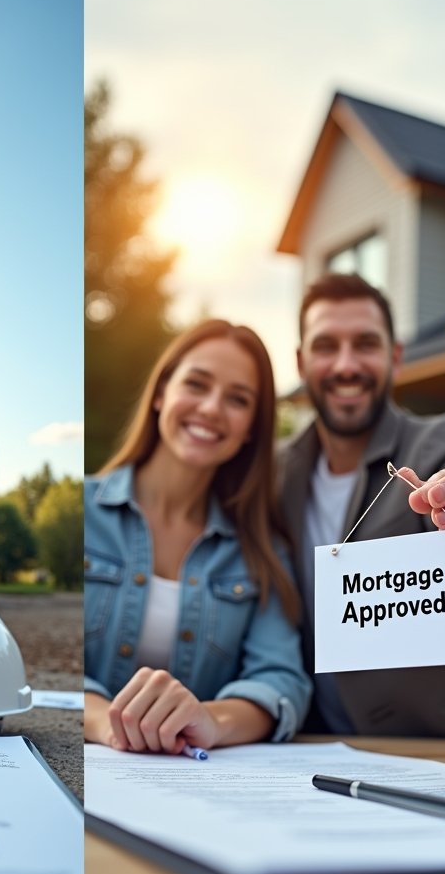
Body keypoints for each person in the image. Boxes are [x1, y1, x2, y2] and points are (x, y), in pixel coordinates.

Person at [280, 272, 445, 738]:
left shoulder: (441, 442)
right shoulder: (273, 473)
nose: (346, 364)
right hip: (326, 762)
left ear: (396, 356)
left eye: (365, 343)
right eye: (327, 346)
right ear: (303, 362)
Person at [84, 319, 311, 754]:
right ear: (160, 392)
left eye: (237, 399)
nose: (210, 408)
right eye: (197, 384)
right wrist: (107, 722)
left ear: (250, 430)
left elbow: (281, 680)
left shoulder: (261, 550)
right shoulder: (84, 512)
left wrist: (212, 719)